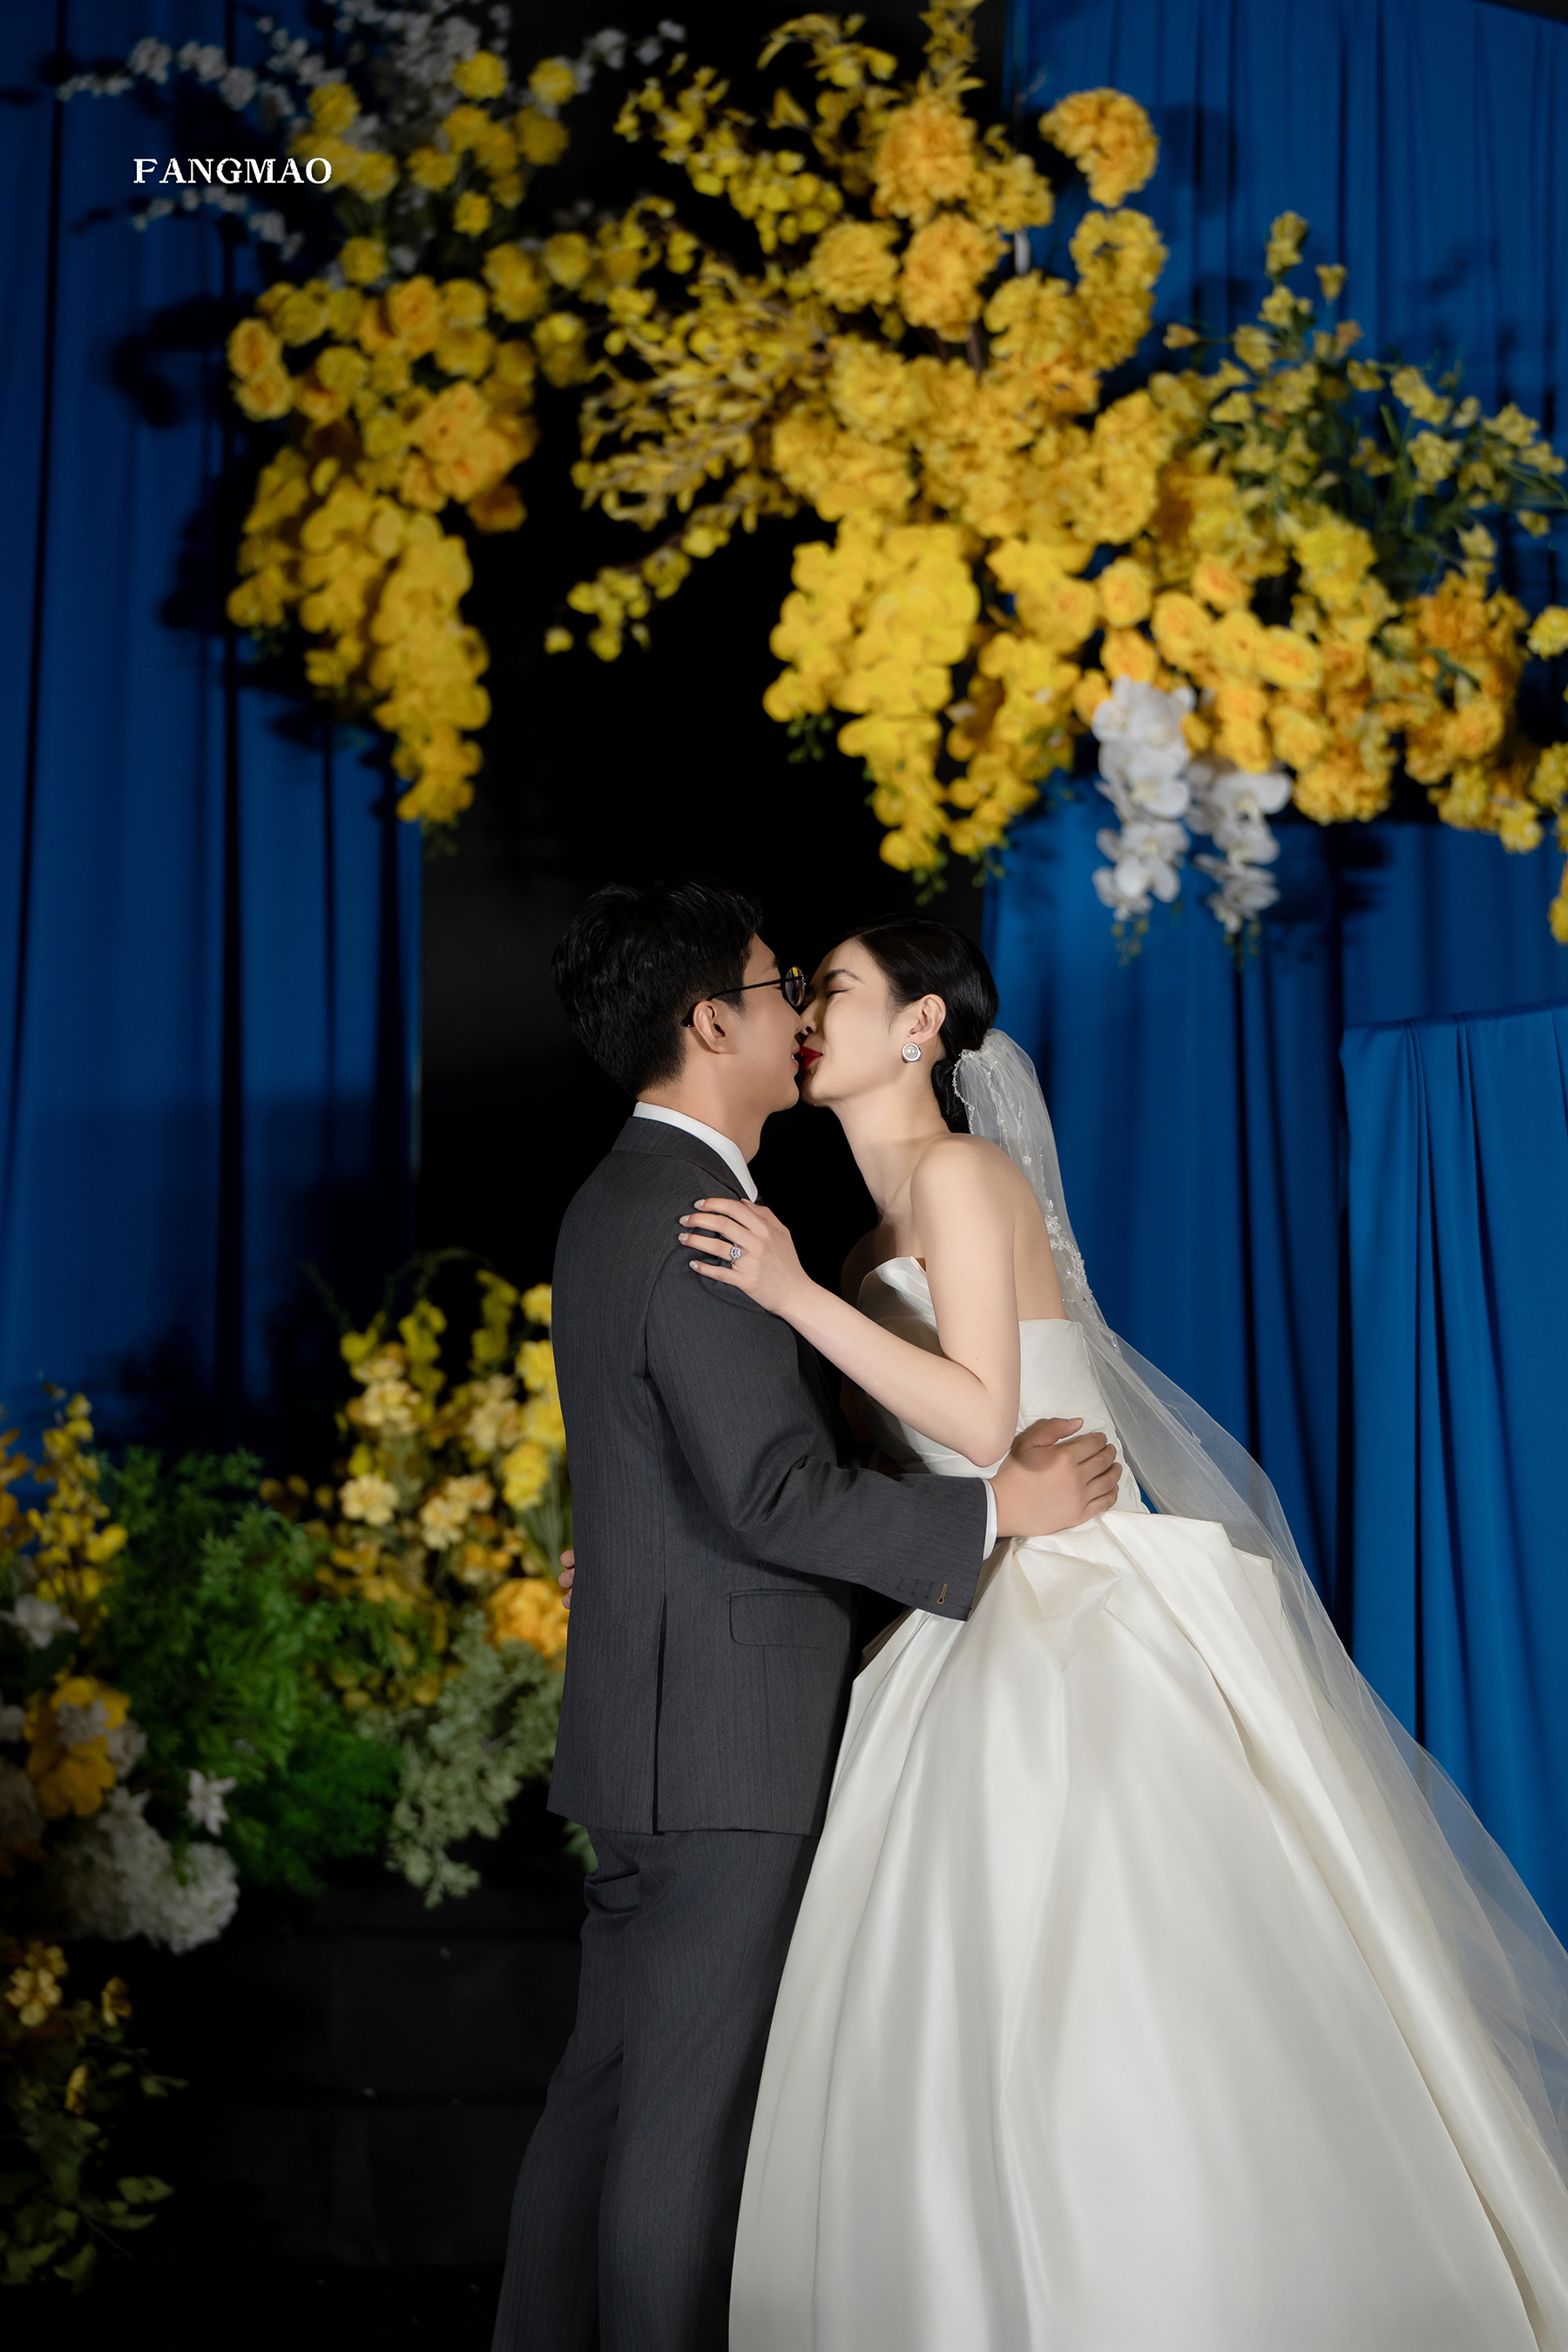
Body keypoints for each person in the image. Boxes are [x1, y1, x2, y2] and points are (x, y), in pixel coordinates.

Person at [680, 916, 1568, 2351]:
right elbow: (877, 1482)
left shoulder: (960, 1176)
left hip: (1077, 1602)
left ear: (920, 1028)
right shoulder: (854, 1244)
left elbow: (984, 1419)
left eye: (832, 989)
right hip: (966, 1606)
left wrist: (788, 1297)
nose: (807, 1014)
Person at [490, 881, 1125, 2352]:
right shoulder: (707, 1218)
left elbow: (669, 1448)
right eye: (785, 987)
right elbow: (775, 1492)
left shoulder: (618, 1197)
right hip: (724, 1737)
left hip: (662, 1717)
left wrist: (632, 1558)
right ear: (712, 1022)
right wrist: (994, 1512)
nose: (799, 1014)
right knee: (687, 2124)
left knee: (608, 2094)